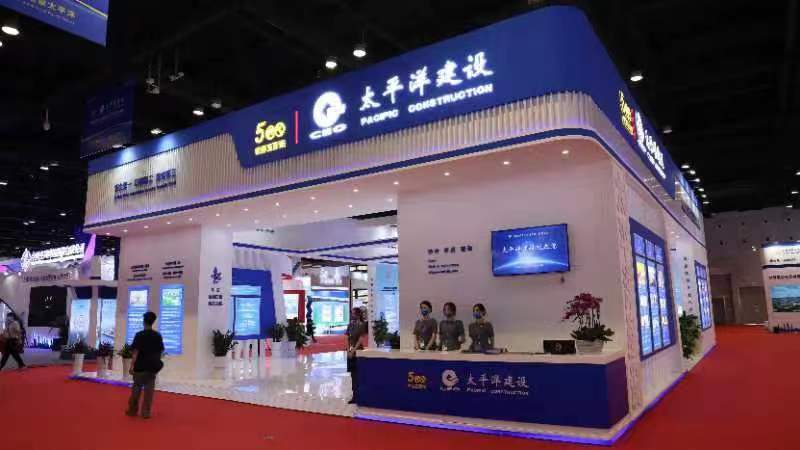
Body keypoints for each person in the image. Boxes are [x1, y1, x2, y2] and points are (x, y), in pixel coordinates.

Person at [126, 311, 164, 419]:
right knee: (149, 391)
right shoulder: (157, 336)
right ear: (153, 322)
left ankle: (132, 410)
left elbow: (135, 352)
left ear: (144, 321)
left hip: (140, 366)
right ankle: (146, 412)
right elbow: (160, 352)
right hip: (152, 367)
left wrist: (131, 366)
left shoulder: (139, 335)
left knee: (136, 388)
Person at [346, 307, 368, 404]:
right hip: (350, 352)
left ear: (358, 315)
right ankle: (354, 395)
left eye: (353, 313)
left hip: (358, 352)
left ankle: (361, 395)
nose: (352, 315)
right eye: (351, 313)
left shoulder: (362, 325)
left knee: (359, 374)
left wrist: (353, 350)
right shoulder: (350, 325)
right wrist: (348, 350)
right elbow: (347, 338)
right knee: (353, 375)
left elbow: (360, 339)